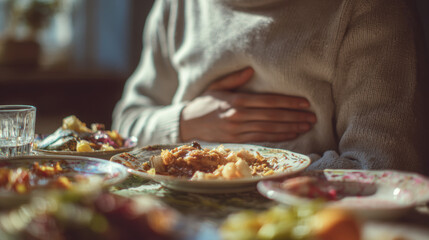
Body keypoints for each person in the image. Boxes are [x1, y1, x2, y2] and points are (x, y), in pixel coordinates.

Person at [113, 0, 428, 174]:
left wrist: (245, 175)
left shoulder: (368, 9)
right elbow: (123, 128)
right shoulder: (176, 6)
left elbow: (384, 169)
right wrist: (183, 121)